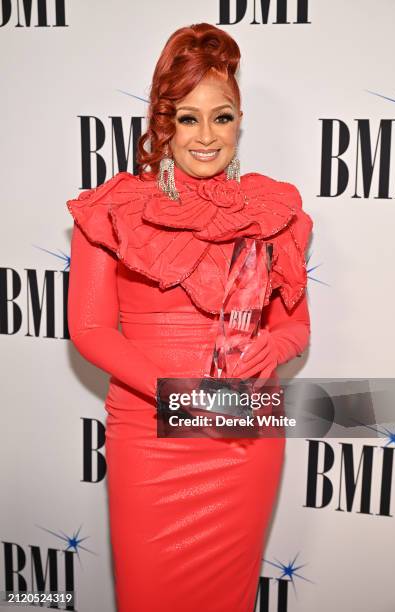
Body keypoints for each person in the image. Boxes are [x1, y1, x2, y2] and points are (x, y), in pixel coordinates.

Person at [66, 23, 313, 612]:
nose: (207, 136)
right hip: (151, 436)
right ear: (162, 121)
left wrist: (272, 351)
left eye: (222, 117)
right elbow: (91, 330)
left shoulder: (271, 211)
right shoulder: (116, 209)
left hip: (243, 439)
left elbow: (296, 327)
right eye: (188, 117)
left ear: (239, 122)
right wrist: (175, 396)